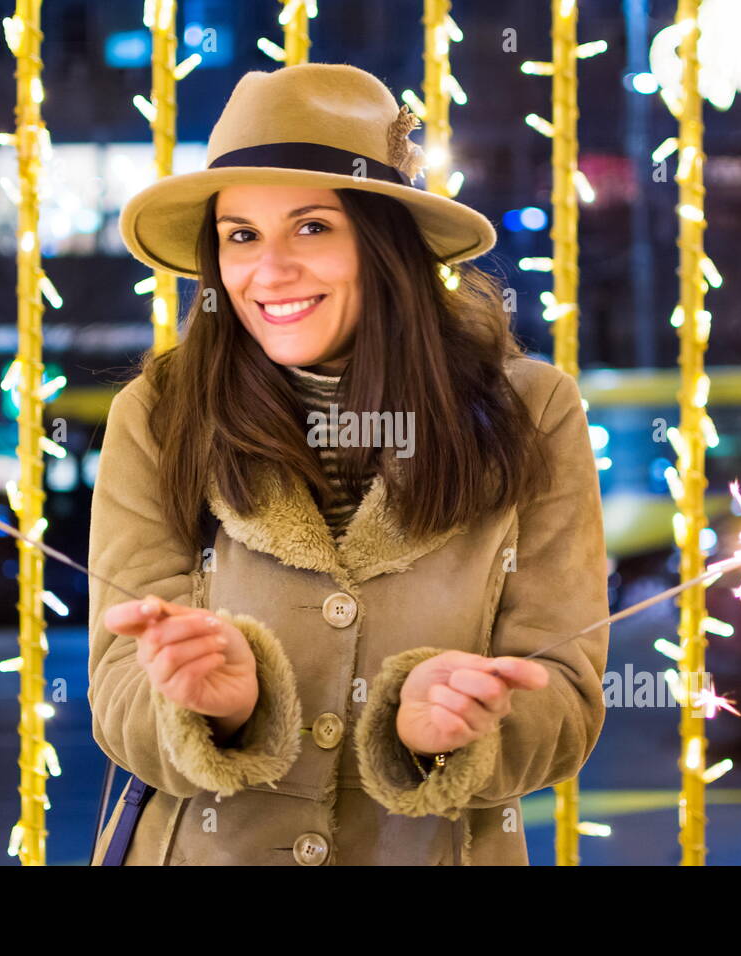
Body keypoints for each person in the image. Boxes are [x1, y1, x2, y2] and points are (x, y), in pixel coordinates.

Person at [89, 62, 609, 866]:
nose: (270, 271)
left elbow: (567, 699)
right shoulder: (159, 414)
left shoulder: (531, 411)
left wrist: (440, 735)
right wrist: (205, 710)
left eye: (312, 226)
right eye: (241, 236)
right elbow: (118, 697)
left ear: (384, 242)